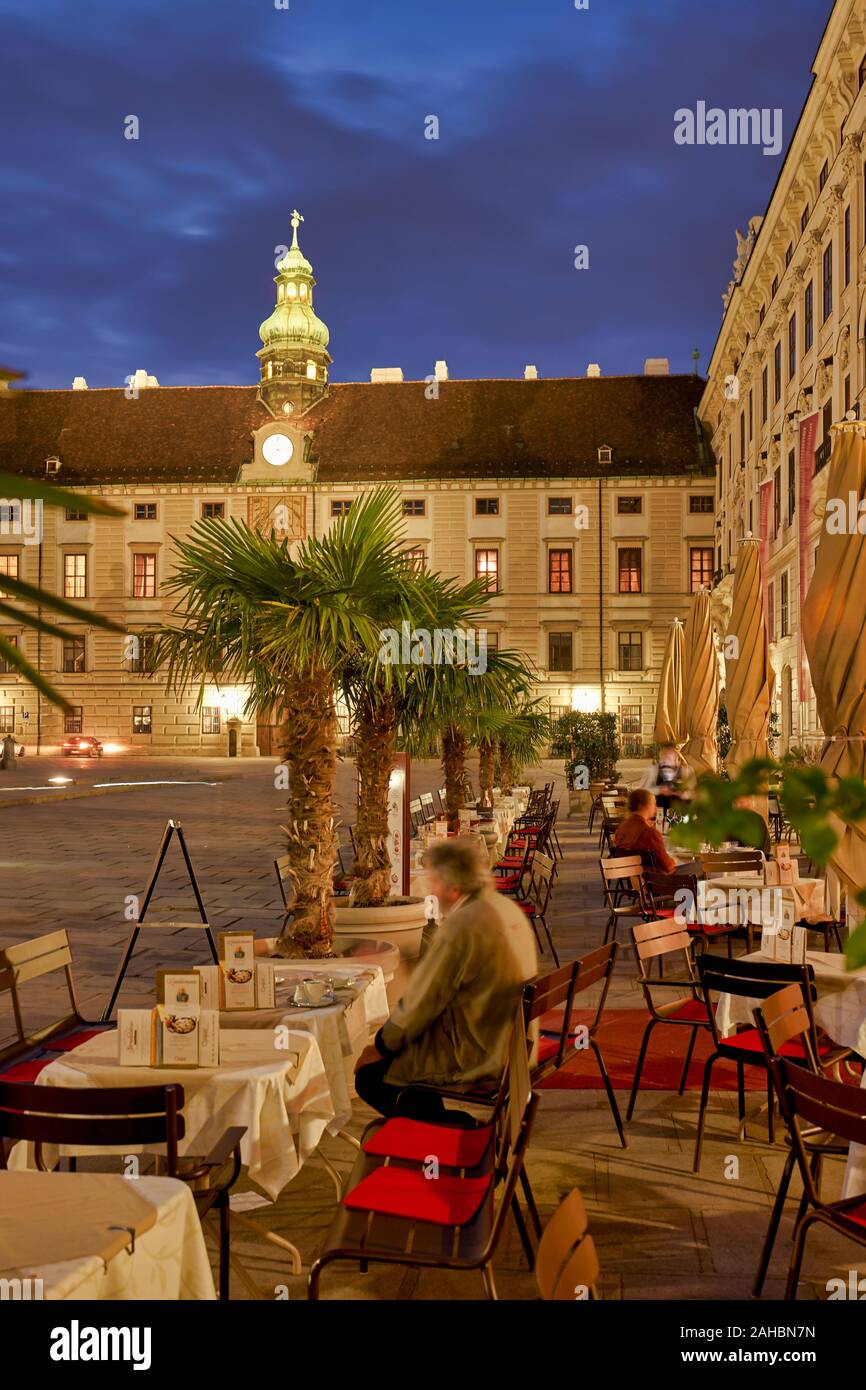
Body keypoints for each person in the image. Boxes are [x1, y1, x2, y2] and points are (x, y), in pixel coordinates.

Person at [353, 836, 538, 1119]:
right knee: (401, 1057)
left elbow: (423, 1002)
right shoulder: (504, 907)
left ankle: (451, 1128)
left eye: (434, 881)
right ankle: (441, 1127)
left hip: (478, 1052)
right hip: (513, 1041)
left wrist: (380, 1045)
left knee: (370, 1076)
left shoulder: (463, 924)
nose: (431, 889)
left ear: (452, 886)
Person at [611, 789, 679, 873]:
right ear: (644, 806)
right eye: (653, 803)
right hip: (656, 881)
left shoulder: (621, 829)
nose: (656, 807)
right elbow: (667, 866)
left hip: (633, 878)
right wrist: (674, 861)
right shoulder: (650, 833)